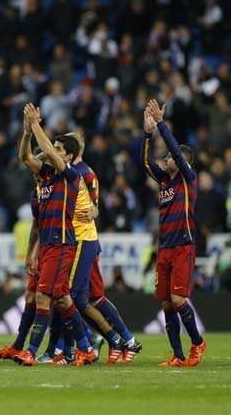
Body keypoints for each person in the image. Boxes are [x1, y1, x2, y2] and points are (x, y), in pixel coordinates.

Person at [13, 103, 95, 366]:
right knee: (62, 298)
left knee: (43, 296)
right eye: (55, 148)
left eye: (59, 150)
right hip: (49, 244)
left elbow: (46, 150)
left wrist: (36, 123)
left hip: (61, 243)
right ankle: (86, 348)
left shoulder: (71, 175)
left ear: (68, 157)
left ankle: (32, 351)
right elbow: (26, 158)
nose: (53, 152)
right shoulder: (47, 177)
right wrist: (27, 132)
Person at [142, 99, 206, 367]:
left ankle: (198, 342)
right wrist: (147, 134)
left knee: (179, 299)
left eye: (168, 157)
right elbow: (145, 163)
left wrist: (160, 123)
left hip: (183, 244)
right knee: (167, 304)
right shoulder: (165, 181)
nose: (165, 159)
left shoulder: (188, 179)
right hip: (164, 246)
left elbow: (176, 153)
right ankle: (178, 356)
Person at [69, 131, 142, 364]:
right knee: (83, 299)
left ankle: (127, 340)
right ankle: (109, 341)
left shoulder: (85, 174)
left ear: (75, 149)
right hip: (73, 241)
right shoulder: (68, 171)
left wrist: (93, 212)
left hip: (85, 241)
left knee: (93, 297)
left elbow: (94, 206)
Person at [0, 175, 41, 360]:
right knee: (31, 296)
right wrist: (31, 254)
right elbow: (38, 226)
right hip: (42, 251)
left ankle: (80, 344)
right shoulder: (37, 193)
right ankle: (19, 345)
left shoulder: (61, 186)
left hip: (58, 248)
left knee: (59, 300)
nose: (36, 175)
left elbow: (50, 226)